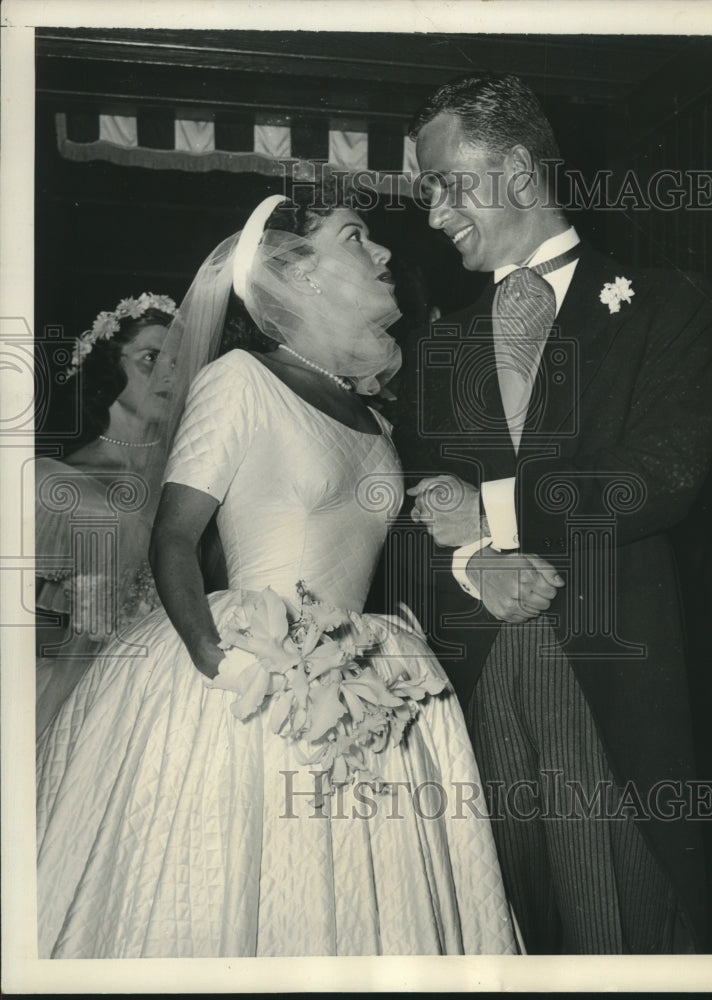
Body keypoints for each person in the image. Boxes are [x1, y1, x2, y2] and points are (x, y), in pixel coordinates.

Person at [35, 188, 519, 959]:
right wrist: (211, 655)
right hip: (251, 666)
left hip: (365, 669)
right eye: (357, 237)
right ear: (300, 275)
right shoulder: (239, 379)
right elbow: (175, 535)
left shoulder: (373, 416)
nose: (385, 252)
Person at [396, 73, 712, 953]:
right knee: (504, 928)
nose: (433, 214)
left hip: (610, 674)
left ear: (517, 168)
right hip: (471, 683)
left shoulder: (668, 305)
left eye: (446, 183)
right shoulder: (435, 345)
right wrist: (472, 563)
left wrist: (491, 511)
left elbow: (662, 474)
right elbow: (400, 503)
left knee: (618, 927)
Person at [35, 292, 178, 737]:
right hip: (88, 696)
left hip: (178, 686)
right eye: (151, 357)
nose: (170, 373)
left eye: (179, 360)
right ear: (106, 367)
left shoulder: (194, 477)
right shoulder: (61, 480)